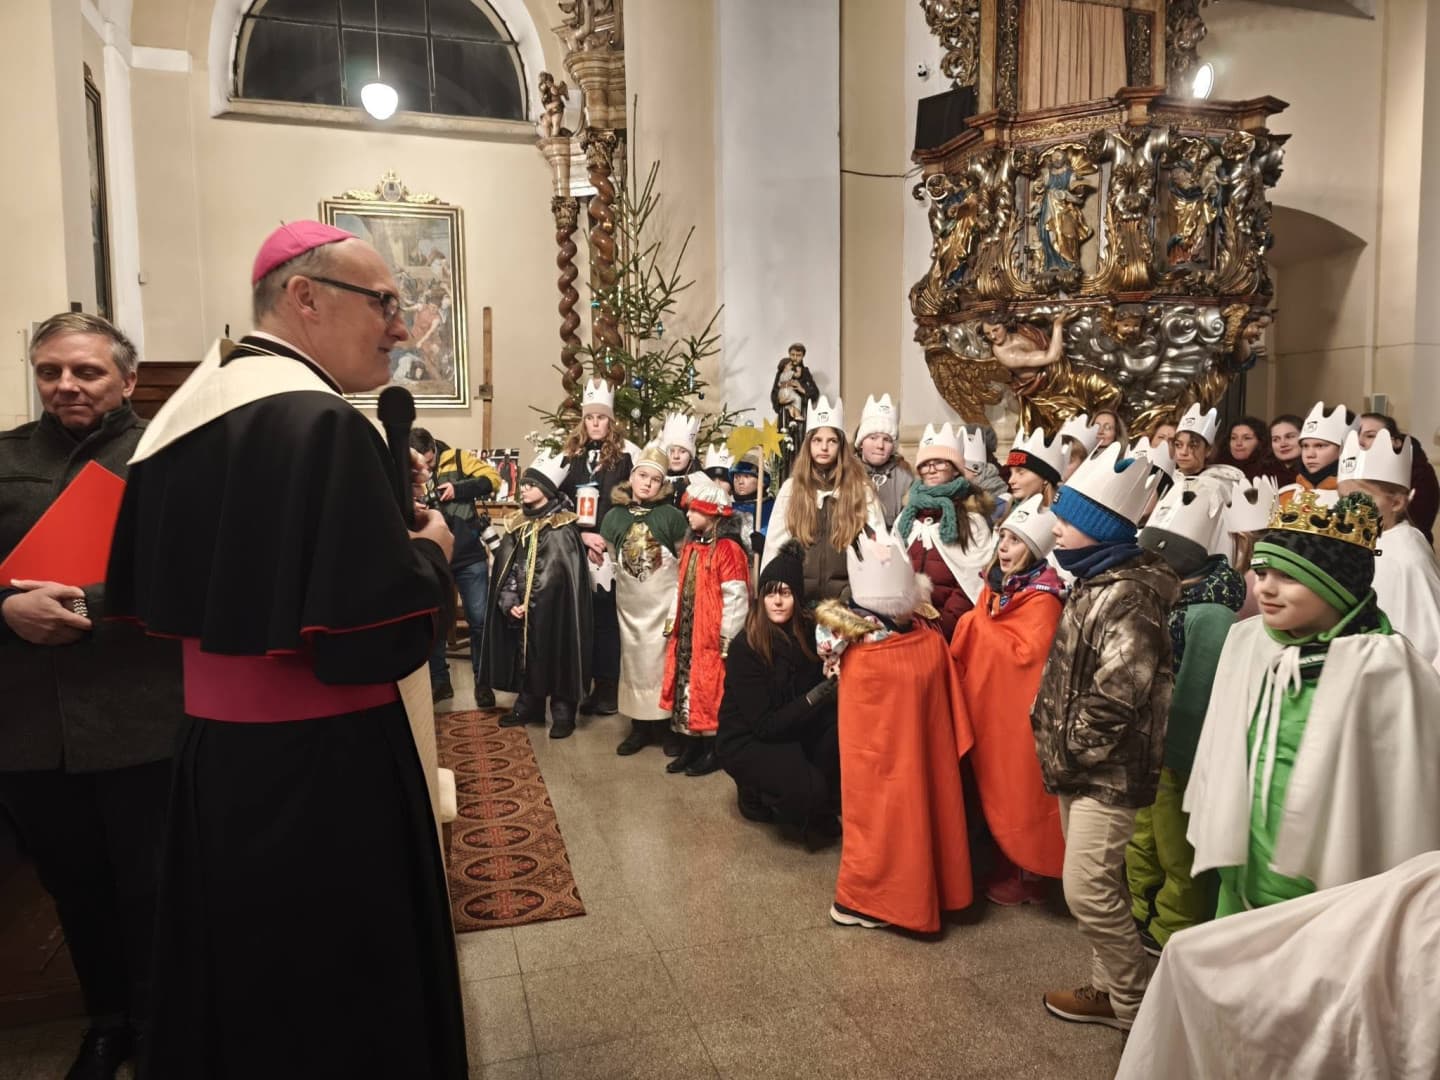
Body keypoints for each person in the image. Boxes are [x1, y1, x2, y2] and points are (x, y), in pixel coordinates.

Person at [104, 221, 468, 1077]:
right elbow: (375, 636)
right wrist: (431, 555)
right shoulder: (322, 422)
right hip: (326, 767)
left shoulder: (184, 416)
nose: (401, 328)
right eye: (384, 303)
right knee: (335, 989)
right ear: (305, 296)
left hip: (216, 758)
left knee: (240, 978)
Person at [0, 313, 182, 1080]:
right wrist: (6, 609)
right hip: (32, 727)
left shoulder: (169, 455)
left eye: (87, 371)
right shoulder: (6, 458)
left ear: (128, 379)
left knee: (155, 884)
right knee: (74, 887)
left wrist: (88, 603)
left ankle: (164, 1022)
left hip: (141, 714)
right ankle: (108, 1022)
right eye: (50, 372)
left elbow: (200, 572)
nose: (66, 385)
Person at [1185, 490, 1440, 918]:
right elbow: (1224, 758)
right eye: (1262, 571)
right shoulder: (1249, 641)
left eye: (1289, 576)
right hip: (1244, 871)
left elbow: (1401, 805)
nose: (1265, 588)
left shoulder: (1385, 669)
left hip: (1328, 895)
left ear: (1335, 586)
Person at [1031, 443, 1177, 1032]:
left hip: (1108, 769)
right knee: (1101, 882)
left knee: (1087, 890)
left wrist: (1068, 750)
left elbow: (1118, 694)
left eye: (1067, 519)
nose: (1055, 527)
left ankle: (1139, 1012)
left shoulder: (1129, 595)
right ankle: (1108, 990)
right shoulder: (1095, 579)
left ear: (1100, 527)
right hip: (1081, 763)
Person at [816, 527, 974, 932]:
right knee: (885, 821)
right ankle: (868, 899)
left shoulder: (910, 639)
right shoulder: (908, 644)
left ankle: (907, 893)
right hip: (880, 760)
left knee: (899, 817)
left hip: (902, 755)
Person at [1125, 478, 1245, 956]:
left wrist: (1173, 754)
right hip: (1147, 742)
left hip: (1178, 756)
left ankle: (1173, 925)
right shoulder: (1163, 594)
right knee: (1143, 836)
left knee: (1178, 846)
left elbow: (1196, 696)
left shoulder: (1209, 612)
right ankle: (1139, 906)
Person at [950, 494, 1067, 907]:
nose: (1003, 547)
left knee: (1017, 789)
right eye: (1002, 537)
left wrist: (975, 626)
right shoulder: (994, 586)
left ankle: (1026, 872)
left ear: (1033, 550)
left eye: (1015, 541)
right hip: (986, 705)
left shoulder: (1044, 599)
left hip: (1016, 716)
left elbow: (1027, 658)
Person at [716, 540, 840, 845]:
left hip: (791, 723)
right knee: (810, 793)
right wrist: (816, 695)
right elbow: (764, 725)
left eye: (786, 593)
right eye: (770, 593)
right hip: (749, 738)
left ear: (797, 596)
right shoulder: (746, 646)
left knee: (838, 730)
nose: (778, 602)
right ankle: (753, 791)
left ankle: (813, 790)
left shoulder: (807, 633)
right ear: (761, 598)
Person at [485, 452, 594, 739]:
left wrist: (541, 600)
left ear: (545, 489)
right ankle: (528, 705)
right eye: (523, 483)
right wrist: (510, 599)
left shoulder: (563, 528)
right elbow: (507, 566)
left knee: (560, 651)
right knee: (527, 653)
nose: (523, 489)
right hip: (523, 607)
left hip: (557, 609)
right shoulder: (517, 524)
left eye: (530, 484)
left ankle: (563, 711)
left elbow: (566, 574)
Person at [660, 472, 751, 776]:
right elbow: (679, 586)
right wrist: (672, 618)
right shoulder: (691, 547)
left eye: (694, 510)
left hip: (710, 636)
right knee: (687, 687)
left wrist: (728, 637)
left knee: (710, 690)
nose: (688, 515)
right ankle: (690, 744)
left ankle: (713, 748)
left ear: (712, 513)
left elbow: (737, 596)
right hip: (688, 634)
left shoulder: (728, 550)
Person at [600, 444, 688, 755]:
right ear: (632, 477)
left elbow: (683, 557)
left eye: (655, 479)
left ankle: (666, 727)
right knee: (634, 664)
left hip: (663, 606)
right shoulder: (614, 517)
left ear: (662, 484)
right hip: (631, 607)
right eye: (642, 476)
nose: (647, 483)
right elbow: (614, 556)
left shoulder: (672, 517)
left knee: (663, 663)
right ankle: (639, 727)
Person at [760, 396, 885, 602]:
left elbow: (878, 544)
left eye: (832, 441)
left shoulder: (859, 490)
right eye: (817, 440)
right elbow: (774, 548)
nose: (824, 447)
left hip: (845, 601)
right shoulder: (792, 489)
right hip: (800, 600)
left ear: (841, 446)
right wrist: (768, 592)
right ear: (808, 444)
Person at [410, 427, 501, 706]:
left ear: (433, 449)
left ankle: (483, 683)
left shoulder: (459, 458)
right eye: (421, 464)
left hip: (468, 555)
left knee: (480, 621)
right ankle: (440, 682)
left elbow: (494, 480)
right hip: (432, 558)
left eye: (429, 461)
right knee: (435, 623)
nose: (426, 468)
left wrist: (458, 489)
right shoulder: (407, 469)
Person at [559, 378, 635, 717]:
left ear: (610, 421)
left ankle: (607, 688)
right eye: (589, 418)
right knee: (581, 618)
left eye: (601, 418)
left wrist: (605, 538)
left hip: (609, 548)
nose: (594, 424)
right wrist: (581, 535)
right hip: (576, 545)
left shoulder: (626, 457)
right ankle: (582, 684)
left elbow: (630, 502)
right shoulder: (571, 456)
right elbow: (559, 501)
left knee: (606, 619)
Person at [1336, 431, 1440, 667]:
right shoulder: (1358, 541)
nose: (1347, 509)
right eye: (1342, 498)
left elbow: (1428, 636)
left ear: (1396, 502)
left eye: (1359, 498)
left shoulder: (1406, 555)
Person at [895, 423, 995, 638]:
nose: (931, 469)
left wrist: (943, 623)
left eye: (939, 462)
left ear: (955, 468)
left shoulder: (971, 520)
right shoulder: (907, 515)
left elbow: (973, 579)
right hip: (904, 622)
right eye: (925, 464)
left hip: (949, 626)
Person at [1358, 411, 1438, 543]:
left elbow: (1418, 525)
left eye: (1370, 435)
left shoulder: (1419, 473)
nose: (1359, 442)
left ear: (1396, 442)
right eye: (1355, 435)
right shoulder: (1349, 468)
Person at [853, 393, 914, 527]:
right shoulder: (846, 472)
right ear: (861, 442)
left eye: (886, 439)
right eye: (873, 438)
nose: (880, 445)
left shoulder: (904, 478)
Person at [1281, 401, 1355, 505]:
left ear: (1344, 449)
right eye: (1305, 446)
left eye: (1320, 446)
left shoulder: (1359, 499)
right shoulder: (1286, 496)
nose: (1310, 455)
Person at [1214, 414, 1292, 483]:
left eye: (1247, 438)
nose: (1238, 443)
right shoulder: (1217, 469)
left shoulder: (1274, 472)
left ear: (1260, 441)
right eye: (1233, 438)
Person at [1005, 427, 1067, 508]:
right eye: (1011, 473)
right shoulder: (1006, 510)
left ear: (1045, 478)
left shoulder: (1066, 513)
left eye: (1020, 473)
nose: (1010, 481)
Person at [730, 450, 773, 556]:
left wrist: (767, 547)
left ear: (762, 481)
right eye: (737, 477)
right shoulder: (727, 507)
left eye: (747, 476)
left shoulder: (773, 509)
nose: (740, 482)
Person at [659, 410, 700, 507]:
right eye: (671, 451)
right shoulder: (657, 481)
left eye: (683, 451)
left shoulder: (700, 484)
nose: (676, 456)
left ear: (691, 456)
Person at [1171, 403, 1217, 478]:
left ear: (1208, 450)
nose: (1183, 452)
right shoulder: (1167, 480)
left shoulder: (1217, 483)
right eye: (1178, 445)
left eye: (1192, 446)